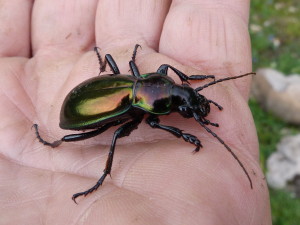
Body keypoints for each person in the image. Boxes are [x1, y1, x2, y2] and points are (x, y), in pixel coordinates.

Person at [0, 0, 271, 224]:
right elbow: (154, 122)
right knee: (115, 134)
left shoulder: (146, 80)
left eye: (182, 101)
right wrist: (182, 134)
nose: (186, 106)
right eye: (182, 104)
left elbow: (163, 84)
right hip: (77, 111)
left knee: (125, 123)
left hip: (105, 89)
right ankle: (62, 148)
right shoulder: (144, 105)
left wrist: (187, 85)